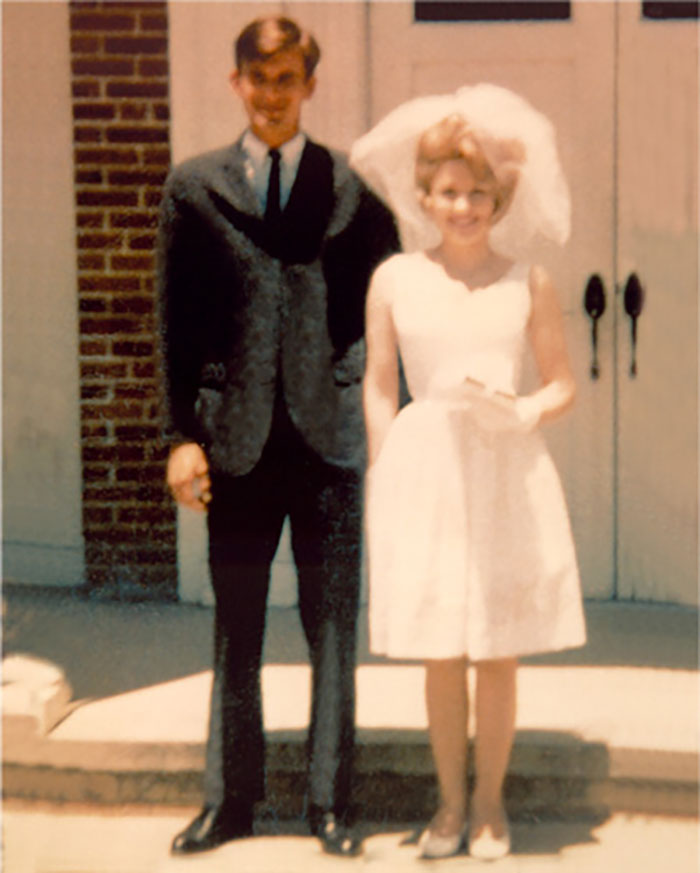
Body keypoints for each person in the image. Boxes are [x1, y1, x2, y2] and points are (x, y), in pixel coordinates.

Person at [156, 16, 399, 858]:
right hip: (238, 444)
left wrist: (372, 398)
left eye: (287, 79)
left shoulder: (349, 189)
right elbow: (174, 322)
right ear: (236, 84)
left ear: (308, 85)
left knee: (333, 625)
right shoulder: (195, 188)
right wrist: (180, 435)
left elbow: (388, 299)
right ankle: (231, 802)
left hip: (327, 443)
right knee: (238, 625)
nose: (271, 95)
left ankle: (330, 802)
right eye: (258, 80)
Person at [352, 85, 586, 861]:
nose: (464, 207)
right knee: (440, 647)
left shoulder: (530, 281)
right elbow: (380, 383)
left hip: (502, 470)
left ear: (500, 198)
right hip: (426, 474)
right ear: (424, 196)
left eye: (479, 193)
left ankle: (490, 806)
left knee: (496, 645)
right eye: (449, 192)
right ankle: (448, 804)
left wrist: (526, 410)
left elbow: (561, 382)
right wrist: (386, 467)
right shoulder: (394, 279)